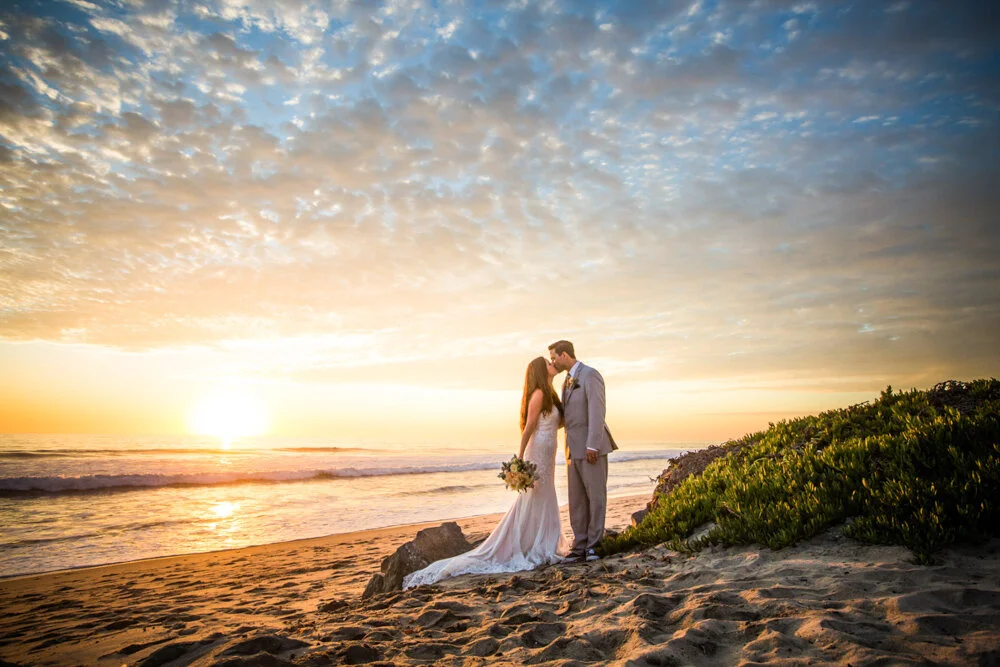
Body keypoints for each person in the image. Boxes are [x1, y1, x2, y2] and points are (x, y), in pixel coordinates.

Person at [402, 357, 570, 588]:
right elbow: (529, 426)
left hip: (548, 451)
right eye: (548, 363)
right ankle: (533, 544)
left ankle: (542, 542)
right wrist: (519, 458)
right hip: (537, 451)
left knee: (545, 495)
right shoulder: (539, 393)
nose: (553, 365)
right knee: (535, 496)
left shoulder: (550, 393)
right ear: (541, 371)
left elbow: (556, 422)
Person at [548, 340, 617, 563]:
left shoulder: (590, 375)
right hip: (571, 449)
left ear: (565, 355)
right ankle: (580, 545)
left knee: (595, 497)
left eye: (554, 357)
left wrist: (592, 445)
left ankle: (594, 546)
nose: (553, 362)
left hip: (591, 448)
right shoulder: (566, 382)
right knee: (576, 499)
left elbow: (597, 411)